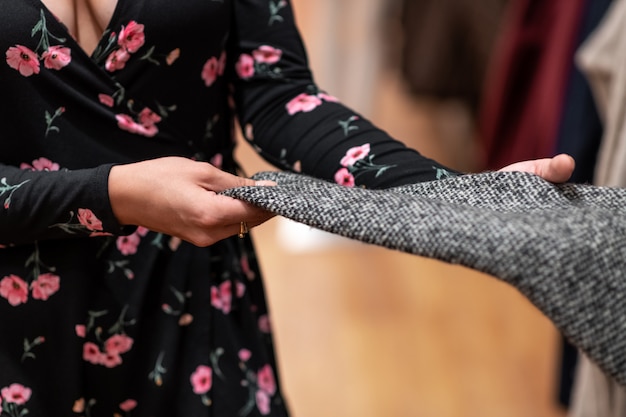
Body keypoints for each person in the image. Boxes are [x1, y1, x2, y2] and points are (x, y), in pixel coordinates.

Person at [0, 0, 574, 416]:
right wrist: (115, 194)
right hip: (19, 326)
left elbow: (279, 96)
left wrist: (446, 191)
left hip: (193, 303)